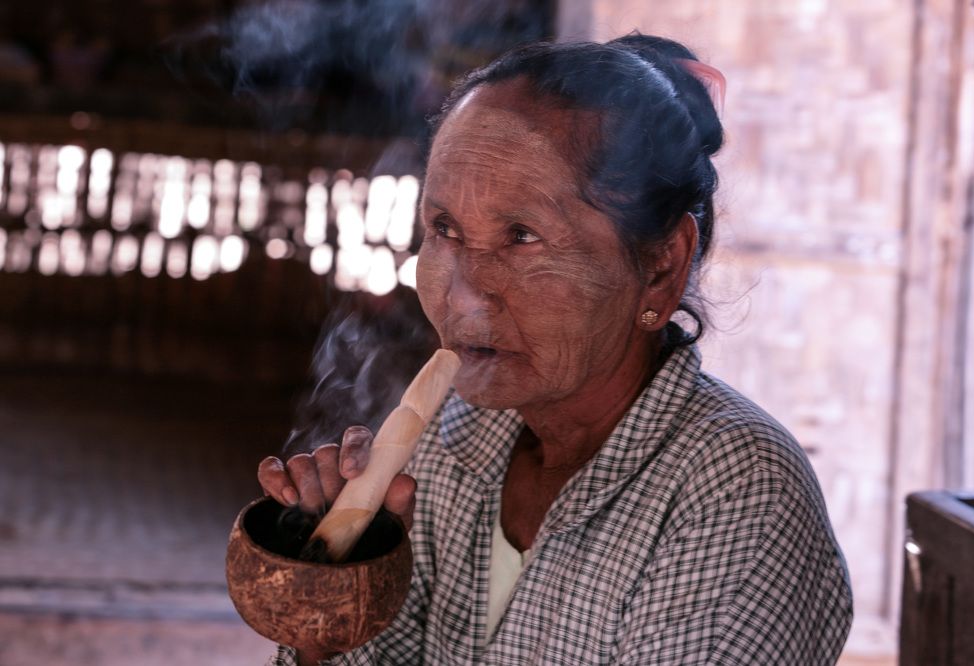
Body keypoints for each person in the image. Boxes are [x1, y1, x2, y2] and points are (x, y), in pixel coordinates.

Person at [257, 33, 853, 665]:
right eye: (444, 229)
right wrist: (334, 605)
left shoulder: (739, 494)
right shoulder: (448, 445)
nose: (461, 297)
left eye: (521, 236)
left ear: (659, 266)